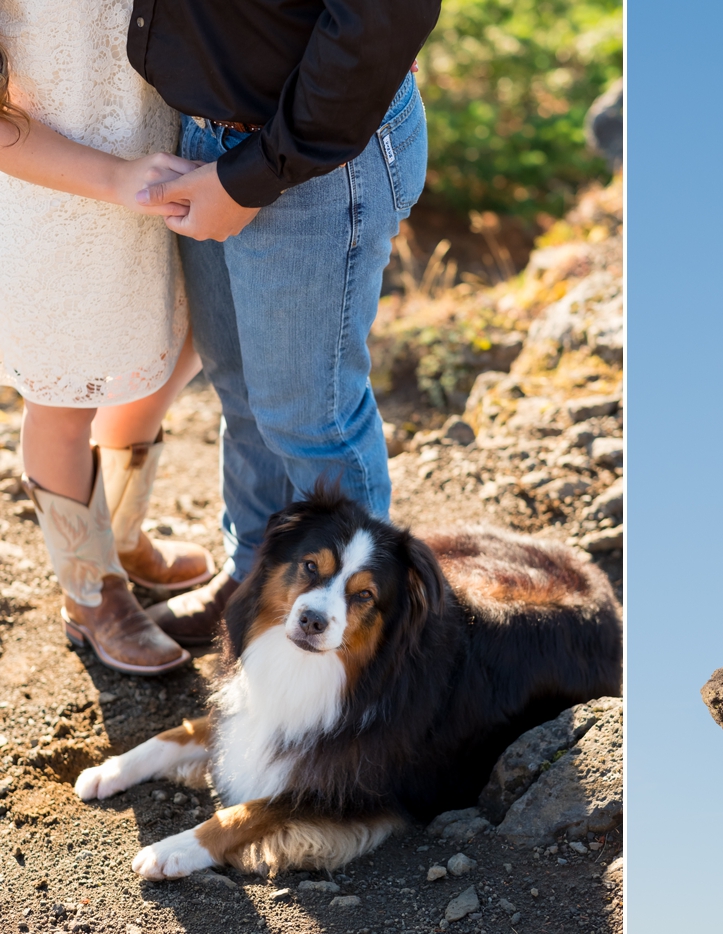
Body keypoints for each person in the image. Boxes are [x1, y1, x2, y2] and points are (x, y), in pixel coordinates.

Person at [128, 0, 442, 642]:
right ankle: (254, 583)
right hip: (205, 135)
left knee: (310, 419)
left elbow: (381, 17)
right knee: (241, 390)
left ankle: (350, 640)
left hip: (313, 161)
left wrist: (254, 175)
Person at [0, 5, 218, 676]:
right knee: (65, 394)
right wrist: (116, 179)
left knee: (176, 346)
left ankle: (119, 533)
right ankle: (92, 593)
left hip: (166, 159)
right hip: (51, 191)